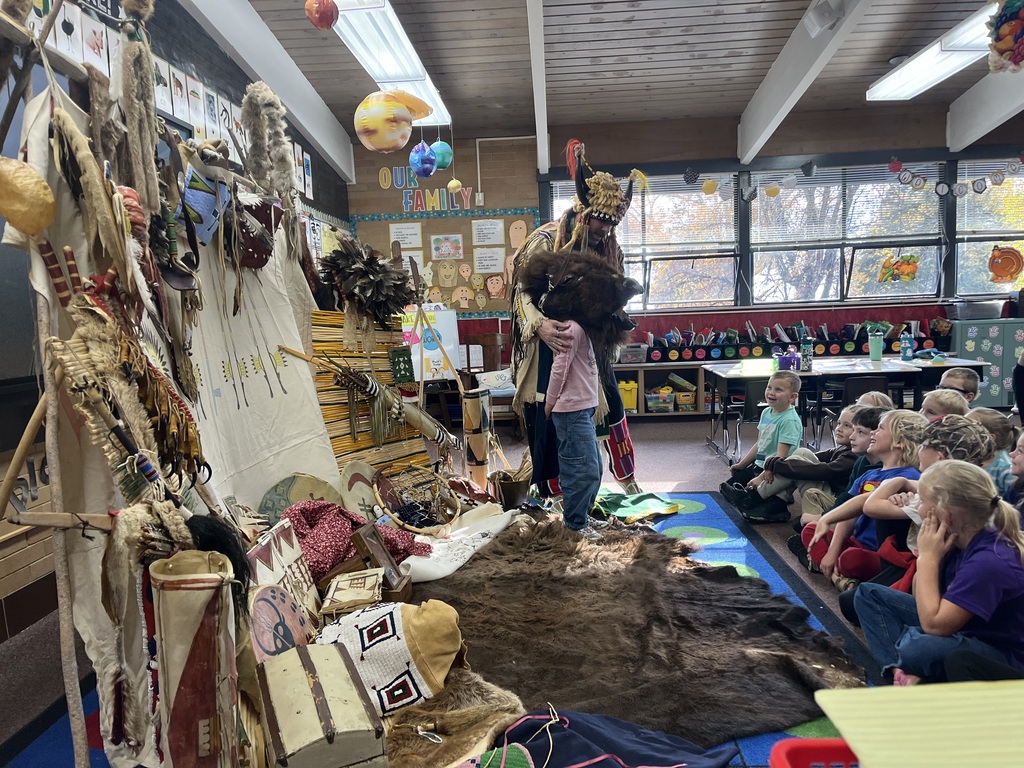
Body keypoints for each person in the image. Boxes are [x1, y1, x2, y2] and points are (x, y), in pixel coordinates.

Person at [510, 140, 646, 510]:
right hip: (549, 343)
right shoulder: (543, 240)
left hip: (591, 346)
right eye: (600, 221)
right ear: (583, 211)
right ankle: (552, 491)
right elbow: (520, 293)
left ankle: (622, 479)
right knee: (550, 413)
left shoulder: (608, 247)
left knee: (608, 406)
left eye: (611, 223)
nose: (605, 229)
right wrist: (538, 325)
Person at [855, 460, 1024, 684]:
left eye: (922, 501)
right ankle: (901, 673)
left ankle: (911, 670)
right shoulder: (960, 538)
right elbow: (921, 598)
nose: (917, 506)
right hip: (964, 628)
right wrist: (935, 557)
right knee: (868, 595)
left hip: (1000, 652)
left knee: (917, 647)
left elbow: (935, 626)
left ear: (945, 513)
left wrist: (928, 559)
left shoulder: (989, 560)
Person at [839, 415, 996, 626]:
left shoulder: (938, 496)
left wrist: (898, 481)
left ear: (939, 459)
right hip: (928, 568)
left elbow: (871, 506)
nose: (918, 450)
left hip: (929, 573)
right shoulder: (965, 487)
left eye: (922, 445)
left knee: (857, 602)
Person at [801, 409, 929, 589]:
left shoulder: (909, 477)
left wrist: (833, 552)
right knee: (811, 530)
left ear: (899, 442)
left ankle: (835, 574)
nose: (874, 433)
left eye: (880, 429)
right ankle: (839, 577)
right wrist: (832, 551)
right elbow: (848, 516)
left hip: (879, 553)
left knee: (851, 559)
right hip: (855, 541)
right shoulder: (869, 473)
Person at [733, 404, 858, 527]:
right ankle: (770, 500)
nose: (839, 428)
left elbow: (825, 471)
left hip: (836, 502)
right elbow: (812, 457)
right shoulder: (844, 449)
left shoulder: (853, 457)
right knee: (801, 452)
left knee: (798, 465)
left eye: (847, 426)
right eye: (839, 423)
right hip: (829, 491)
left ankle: (755, 496)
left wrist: (775, 464)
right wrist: (777, 463)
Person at [543, 318, 602, 540]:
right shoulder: (573, 327)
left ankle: (582, 514)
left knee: (594, 469)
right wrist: (549, 404)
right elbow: (559, 367)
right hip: (570, 410)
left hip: (583, 408)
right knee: (581, 470)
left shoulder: (585, 327)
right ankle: (574, 524)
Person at [719, 371, 803, 523]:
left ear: (792, 397)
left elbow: (781, 457)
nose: (771, 393)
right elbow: (761, 443)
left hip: (777, 470)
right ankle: (772, 494)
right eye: (769, 387)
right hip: (759, 465)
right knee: (729, 488)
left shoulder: (789, 421)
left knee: (752, 506)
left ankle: (780, 501)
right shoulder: (766, 412)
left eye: (778, 390)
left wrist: (761, 476)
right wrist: (742, 464)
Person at [965, 406, 1018, 496]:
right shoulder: (966, 458)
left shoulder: (1005, 468)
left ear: (990, 437)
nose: (961, 430)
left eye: (968, 427)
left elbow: (1012, 504)